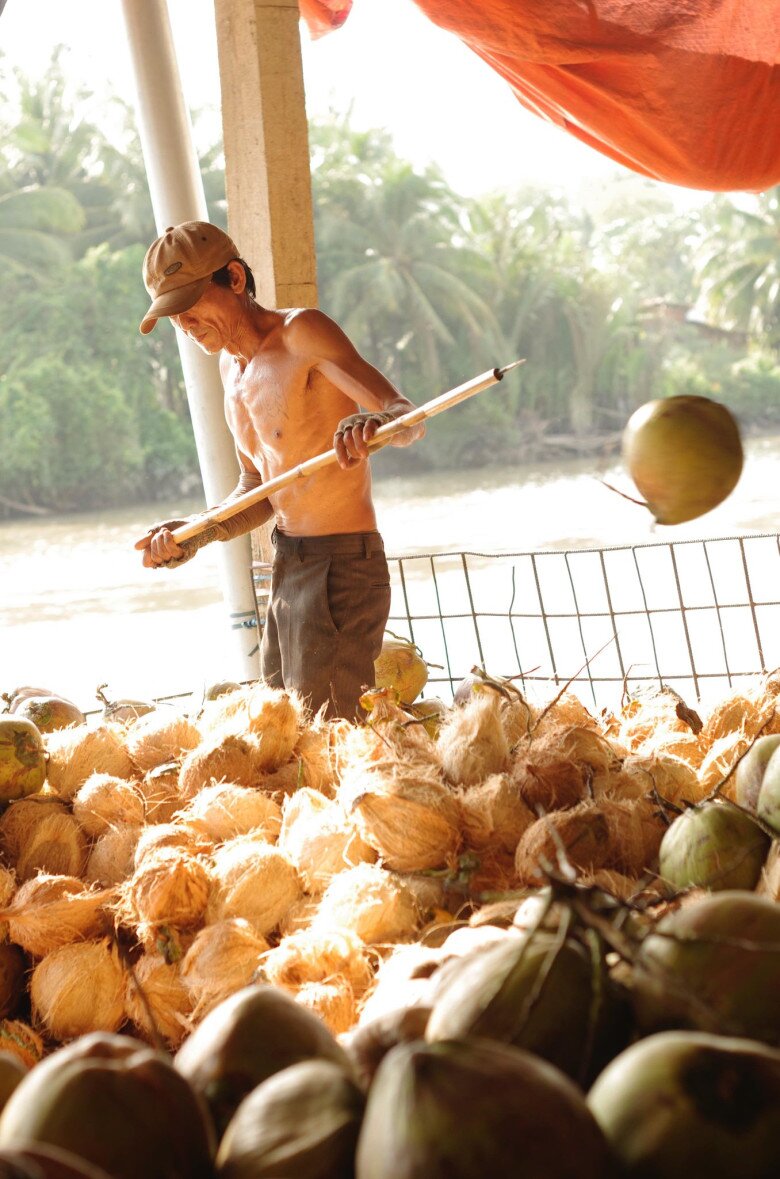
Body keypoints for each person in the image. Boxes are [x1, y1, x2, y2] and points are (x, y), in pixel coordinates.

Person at [134, 220, 424, 721]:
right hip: (287, 564)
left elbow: (407, 418)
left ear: (235, 279)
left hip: (342, 567)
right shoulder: (230, 369)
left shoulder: (301, 333)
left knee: (333, 733)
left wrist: (374, 422)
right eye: (171, 315)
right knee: (286, 729)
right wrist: (194, 533)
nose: (183, 324)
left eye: (189, 306)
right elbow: (259, 489)